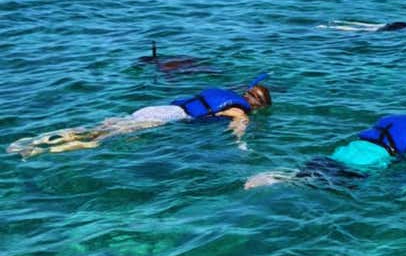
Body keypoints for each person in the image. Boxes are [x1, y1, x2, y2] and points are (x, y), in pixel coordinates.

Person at [7, 75, 272, 158]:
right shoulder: (239, 109)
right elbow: (238, 127)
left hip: (157, 109)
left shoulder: (225, 93)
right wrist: (241, 147)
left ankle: (36, 140)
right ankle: (37, 152)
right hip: (165, 119)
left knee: (101, 126)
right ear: (257, 104)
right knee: (101, 139)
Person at [245, 108, 406, 189]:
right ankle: (278, 181)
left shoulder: (390, 130)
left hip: (339, 154)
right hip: (357, 168)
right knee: (311, 184)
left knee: (305, 175)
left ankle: (277, 177)